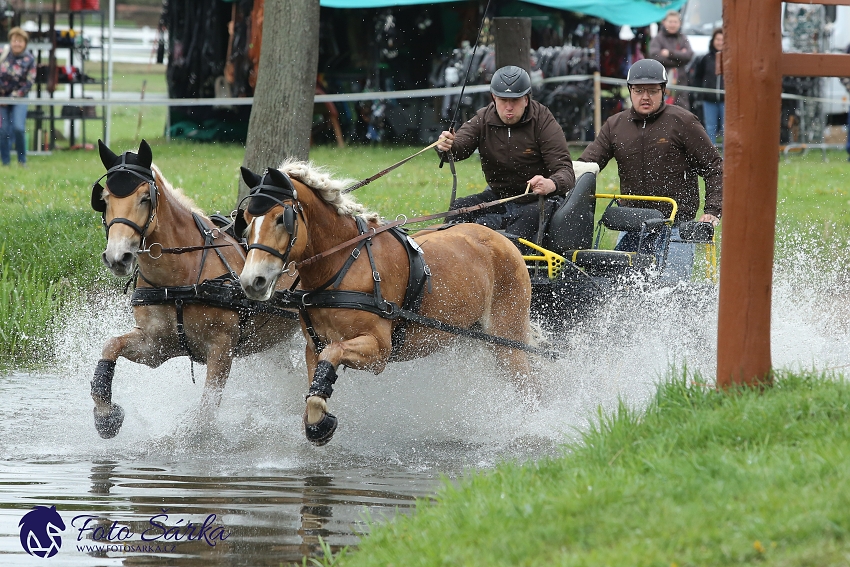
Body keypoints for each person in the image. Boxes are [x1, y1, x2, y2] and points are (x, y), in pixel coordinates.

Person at [578, 58, 722, 283]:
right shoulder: (615, 125)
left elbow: (714, 166)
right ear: (629, 91)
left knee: (669, 293)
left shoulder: (683, 121)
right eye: (638, 90)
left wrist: (712, 210)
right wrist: (559, 181)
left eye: (652, 91)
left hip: (675, 227)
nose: (645, 97)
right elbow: (587, 166)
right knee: (613, 289)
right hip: (631, 225)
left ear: (663, 90)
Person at [435, 65, 575, 242]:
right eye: (503, 100)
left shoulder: (544, 120)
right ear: (493, 98)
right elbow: (458, 148)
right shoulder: (483, 118)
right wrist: (446, 146)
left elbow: (566, 172)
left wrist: (551, 184)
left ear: (526, 99)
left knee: (523, 222)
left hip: (539, 201)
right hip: (499, 197)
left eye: (515, 100)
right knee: (460, 208)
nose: (509, 107)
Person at [0, 27, 36, 167]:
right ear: (10, 41)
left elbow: (29, 82)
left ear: (25, 43)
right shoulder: (2, 53)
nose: (17, 44)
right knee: (3, 131)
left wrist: (13, 97)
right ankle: (5, 162)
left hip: (19, 97)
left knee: (18, 128)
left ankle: (22, 161)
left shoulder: (30, 59)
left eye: (20, 41)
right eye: (15, 40)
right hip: (1, 98)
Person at [649, 10, 693, 110]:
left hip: (681, 82)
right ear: (664, 22)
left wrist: (670, 53)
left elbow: (689, 55)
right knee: (661, 108)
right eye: (670, 21)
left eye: (675, 22)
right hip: (662, 80)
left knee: (682, 111)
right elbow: (655, 56)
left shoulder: (683, 38)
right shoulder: (657, 39)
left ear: (680, 23)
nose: (673, 24)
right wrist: (679, 58)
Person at [692, 28, 725, 145]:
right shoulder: (705, 59)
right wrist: (700, 94)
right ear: (713, 41)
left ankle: (727, 159)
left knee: (726, 129)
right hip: (709, 100)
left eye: (722, 39)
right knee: (710, 128)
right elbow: (698, 77)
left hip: (725, 100)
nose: (720, 42)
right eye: (718, 39)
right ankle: (711, 157)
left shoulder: (729, 59)